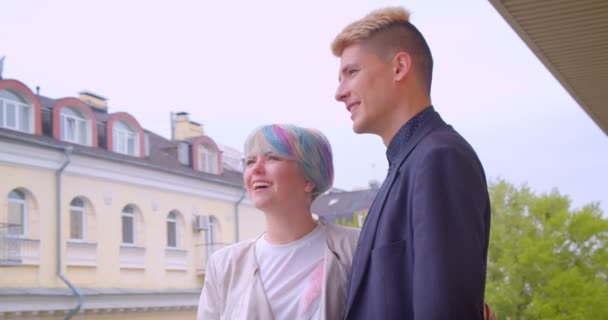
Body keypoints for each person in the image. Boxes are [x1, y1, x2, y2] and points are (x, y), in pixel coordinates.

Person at [331, 7, 492, 320]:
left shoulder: (439, 159)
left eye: (351, 73)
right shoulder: (407, 167)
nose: (339, 93)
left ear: (399, 67)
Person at [196, 124, 359, 320]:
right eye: (249, 161)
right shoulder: (224, 265)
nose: (256, 169)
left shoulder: (354, 248)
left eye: (273, 157)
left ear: (309, 178)